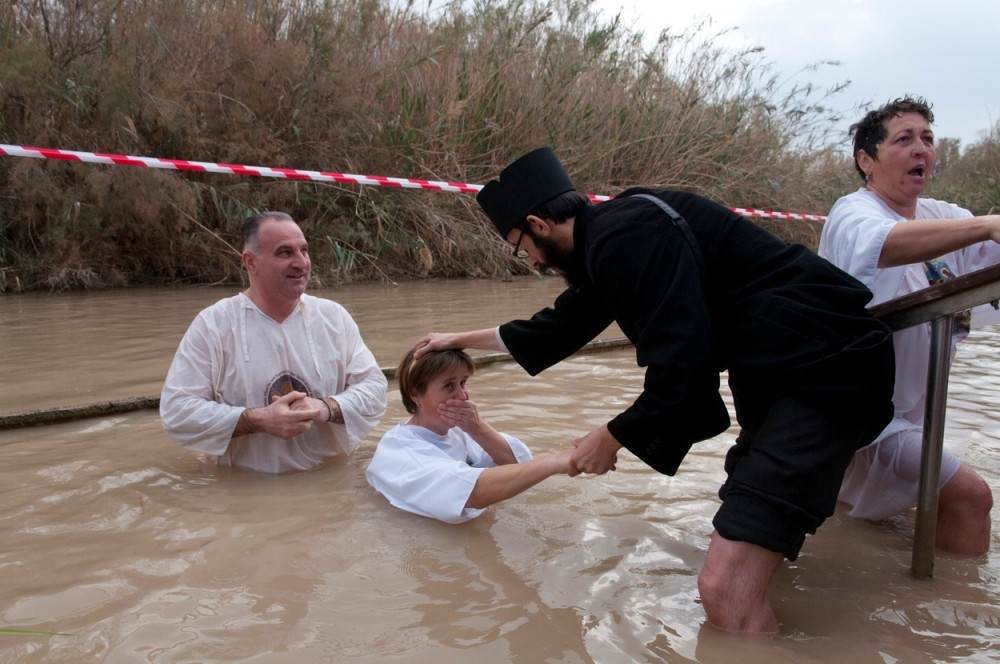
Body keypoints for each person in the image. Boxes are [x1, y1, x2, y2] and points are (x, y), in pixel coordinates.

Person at [414, 147, 896, 634]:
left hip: (823, 373)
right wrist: (457, 339)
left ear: (539, 224)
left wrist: (611, 436)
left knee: (724, 587)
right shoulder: (614, 234)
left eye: (523, 247)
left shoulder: (627, 238)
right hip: (786, 374)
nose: (532, 261)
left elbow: (683, 371)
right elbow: (554, 328)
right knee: (748, 522)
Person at [818, 96, 999, 556]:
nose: (921, 149)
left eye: (928, 139)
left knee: (865, 518)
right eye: (904, 139)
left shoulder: (943, 217)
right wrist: (986, 226)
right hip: (861, 413)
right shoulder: (853, 213)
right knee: (972, 497)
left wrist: (984, 229)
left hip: (912, 414)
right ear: (866, 160)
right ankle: (957, 613)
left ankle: (904, 606)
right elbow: (887, 246)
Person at [160, 211, 388, 473]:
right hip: (244, 491)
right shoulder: (213, 324)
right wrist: (258, 420)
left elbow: (375, 389)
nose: (301, 263)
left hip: (329, 481)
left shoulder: (333, 317)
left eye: (304, 250)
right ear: (250, 262)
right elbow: (177, 412)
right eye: (285, 253)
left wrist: (325, 407)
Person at [366, 347, 573, 523]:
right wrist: (553, 462)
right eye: (449, 386)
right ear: (415, 395)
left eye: (463, 383)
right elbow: (470, 492)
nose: (463, 395)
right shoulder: (401, 451)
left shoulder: (459, 430)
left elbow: (517, 464)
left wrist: (478, 428)